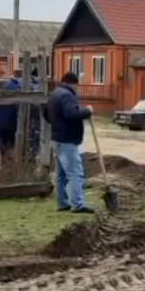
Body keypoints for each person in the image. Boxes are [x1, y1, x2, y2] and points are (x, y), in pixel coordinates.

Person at [45, 71, 94, 213]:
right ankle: (77, 204)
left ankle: (62, 203)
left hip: (57, 139)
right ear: (73, 84)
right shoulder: (67, 95)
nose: (77, 89)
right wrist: (87, 111)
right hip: (67, 140)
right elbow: (71, 114)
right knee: (75, 173)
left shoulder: (54, 94)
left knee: (61, 175)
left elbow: (46, 114)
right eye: (77, 86)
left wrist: (57, 124)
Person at [0, 70, 21, 158]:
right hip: (11, 121)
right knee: (10, 141)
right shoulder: (17, 87)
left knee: (1, 140)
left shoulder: (3, 86)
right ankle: (8, 158)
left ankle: (1, 157)